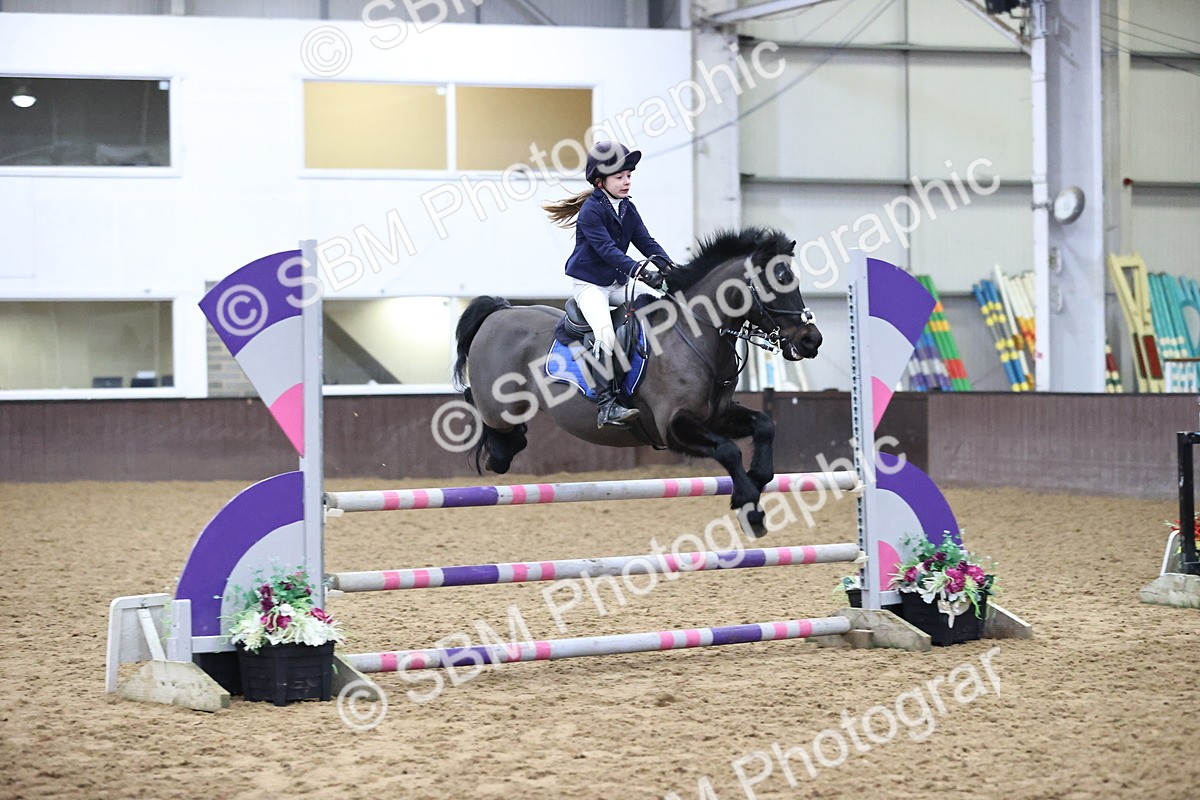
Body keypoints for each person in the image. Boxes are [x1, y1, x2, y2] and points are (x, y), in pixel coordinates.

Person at [543, 141, 674, 428]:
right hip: (590, 285)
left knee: (663, 301)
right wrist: (641, 270)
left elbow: (645, 241)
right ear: (601, 182)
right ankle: (606, 405)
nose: (627, 181)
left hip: (616, 282)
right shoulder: (591, 211)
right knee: (605, 334)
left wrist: (668, 267)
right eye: (620, 177)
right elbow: (607, 251)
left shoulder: (627, 208)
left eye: (629, 175)